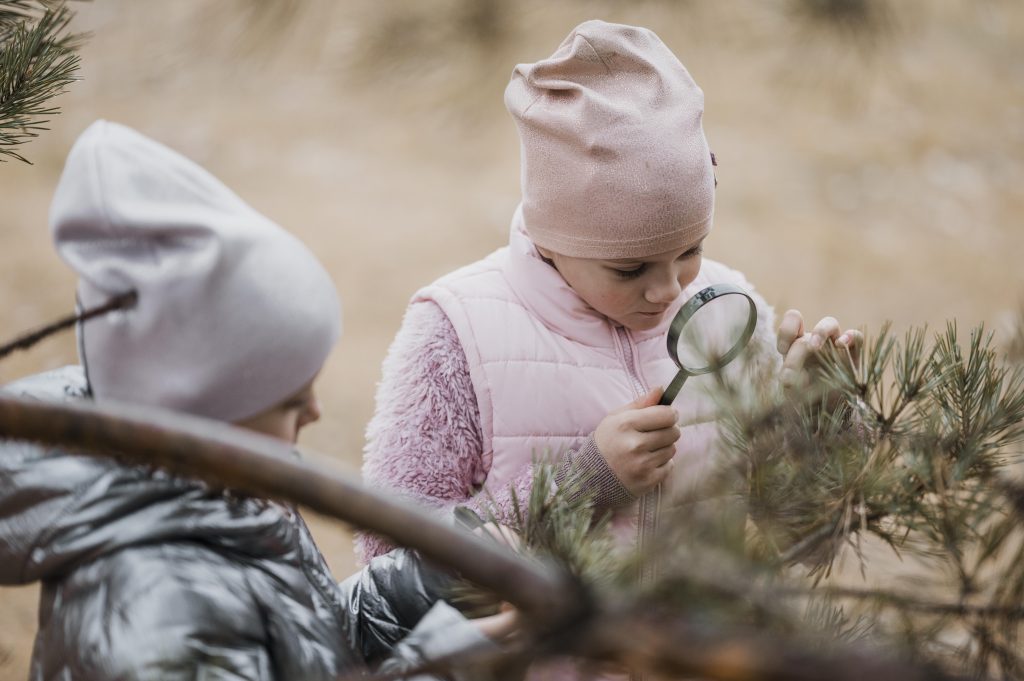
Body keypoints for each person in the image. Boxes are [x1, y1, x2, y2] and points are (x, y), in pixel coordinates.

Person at [0, 121, 510, 681]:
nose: (315, 412)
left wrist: (436, 577)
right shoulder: (157, 604)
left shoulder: (227, 497)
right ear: (202, 418)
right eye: (290, 400)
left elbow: (309, 650)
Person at [358, 20, 860, 567]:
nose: (669, 290)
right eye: (629, 268)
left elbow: (807, 547)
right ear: (553, 237)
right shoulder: (457, 334)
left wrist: (821, 427)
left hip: (695, 653)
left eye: (690, 250)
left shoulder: (727, 312)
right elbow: (389, 563)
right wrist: (580, 483)